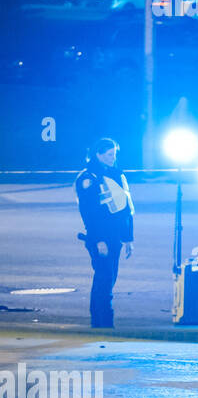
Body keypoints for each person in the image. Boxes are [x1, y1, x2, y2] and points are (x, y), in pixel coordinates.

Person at [75, 137, 135, 328]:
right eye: (109, 155)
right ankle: (102, 323)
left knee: (109, 279)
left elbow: (126, 209)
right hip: (100, 238)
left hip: (115, 237)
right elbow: (89, 213)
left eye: (114, 154)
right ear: (98, 155)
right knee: (104, 279)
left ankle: (102, 323)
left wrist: (127, 238)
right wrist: (99, 240)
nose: (112, 158)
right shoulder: (87, 178)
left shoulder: (117, 174)